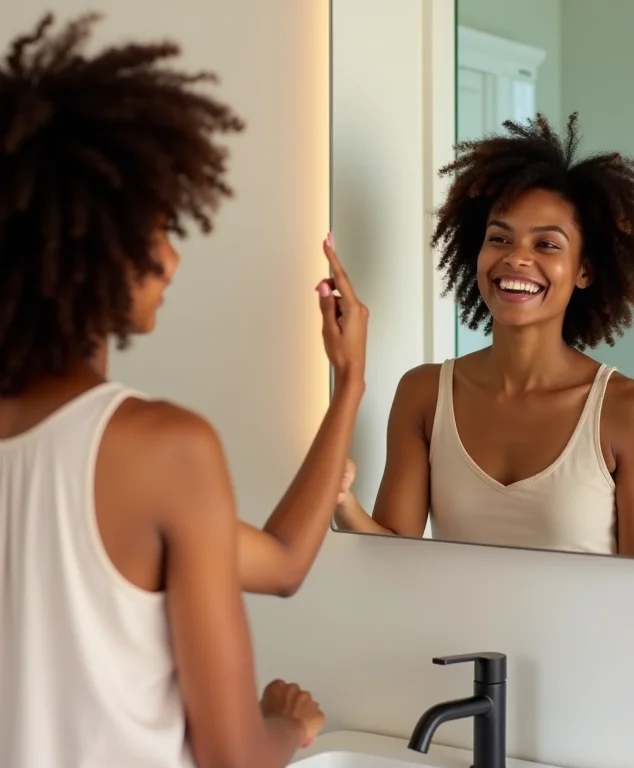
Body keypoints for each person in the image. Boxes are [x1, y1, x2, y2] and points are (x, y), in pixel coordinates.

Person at [0, 14, 368, 768]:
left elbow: (281, 563)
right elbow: (232, 758)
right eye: (158, 229)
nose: (171, 259)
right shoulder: (162, 449)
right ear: (89, 240)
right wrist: (284, 725)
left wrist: (349, 386)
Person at [335, 113, 634, 559]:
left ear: (584, 271)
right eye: (499, 238)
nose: (516, 259)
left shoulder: (629, 412)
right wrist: (338, 498)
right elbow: (396, 556)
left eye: (546, 244)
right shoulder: (423, 394)